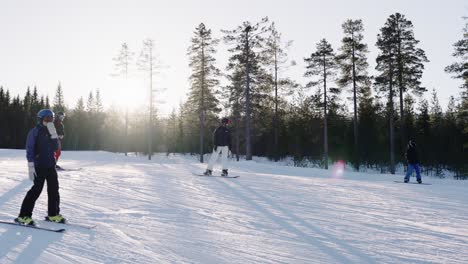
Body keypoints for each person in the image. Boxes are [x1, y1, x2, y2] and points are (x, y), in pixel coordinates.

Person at [15, 109, 66, 225]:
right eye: (47, 119)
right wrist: (31, 166)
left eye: (51, 119)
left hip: (50, 165)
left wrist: (54, 135)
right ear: (41, 119)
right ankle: (24, 215)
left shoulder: (51, 130)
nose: (49, 121)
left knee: (54, 190)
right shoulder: (35, 132)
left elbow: (55, 148)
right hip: (39, 166)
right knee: (36, 190)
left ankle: (53, 214)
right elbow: (30, 149)